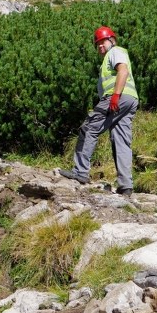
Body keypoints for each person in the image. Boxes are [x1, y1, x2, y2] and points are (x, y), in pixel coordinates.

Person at [60, 26, 139, 196]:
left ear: (111, 40)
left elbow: (123, 71)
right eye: (98, 45)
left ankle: (80, 172)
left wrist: (116, 96)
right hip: (131, 99)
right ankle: (126, 186)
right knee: (121, 140)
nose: (100, 47)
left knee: (89, 128)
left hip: (118, 98)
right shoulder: (109, 59)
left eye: (103, 42)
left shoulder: (115, 51)